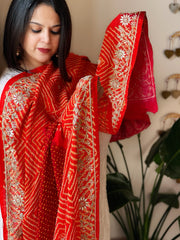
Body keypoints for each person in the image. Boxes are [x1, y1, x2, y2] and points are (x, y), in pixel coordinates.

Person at [0, 0, 158, 239]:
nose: (46, 40)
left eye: (55, 31)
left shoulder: (75, 71)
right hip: (26, 216)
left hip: (84, 202)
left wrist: (87, 96)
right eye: (36, 29)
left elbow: (106, 116)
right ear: (16, 28)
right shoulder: (10, 90)